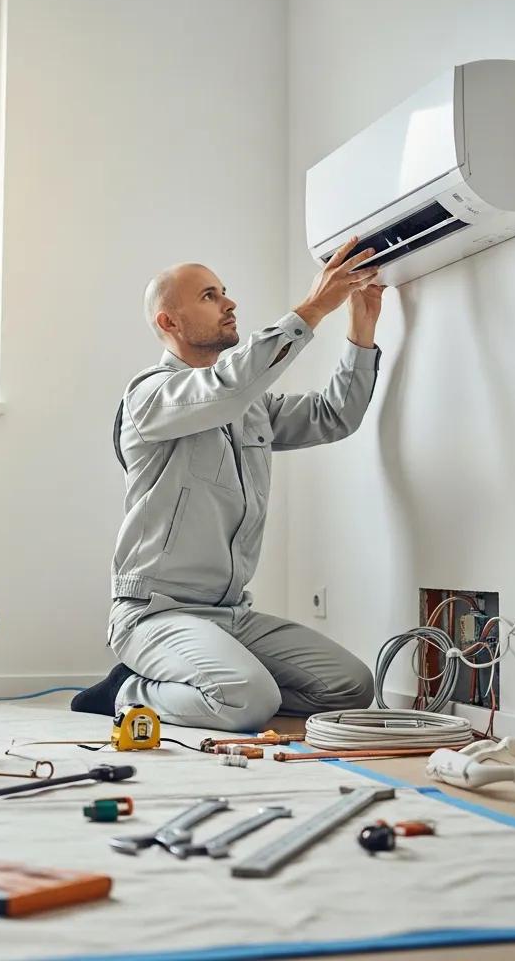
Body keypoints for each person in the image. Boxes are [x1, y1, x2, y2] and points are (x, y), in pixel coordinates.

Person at [71, 234, 385, 731]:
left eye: (224, 290)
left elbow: (333, 416)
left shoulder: (248, 404)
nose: (229, 302)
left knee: (351, 686)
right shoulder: (149, 397)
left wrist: (361, 324)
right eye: (209, 296)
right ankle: (129, 689)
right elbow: (225, 388)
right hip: (155, 615)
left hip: (232, 615)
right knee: (248, 702)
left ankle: (225, 681)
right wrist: (311, 309)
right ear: (169, 323)